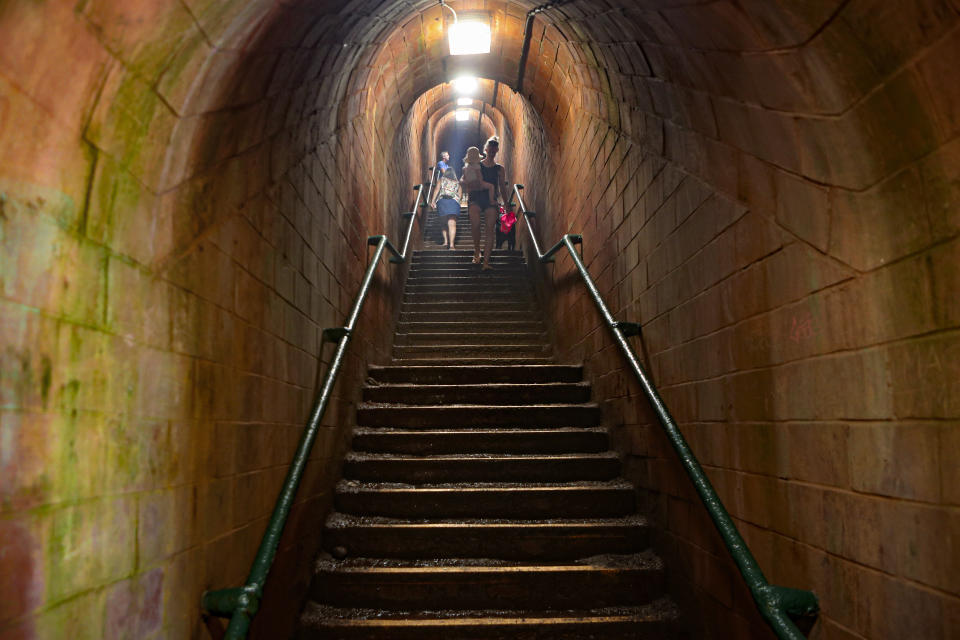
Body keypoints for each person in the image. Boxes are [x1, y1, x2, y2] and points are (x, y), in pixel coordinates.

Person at [461, 136, 509, 270]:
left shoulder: (500, 169)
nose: (492, 151)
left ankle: (486, 262)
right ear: (486, 149)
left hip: (491, 199)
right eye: (490, 148)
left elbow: (502, 187)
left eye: (495, 149)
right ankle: (477, 251)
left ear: (497, 150)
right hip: (475, 198)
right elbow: (465, 178)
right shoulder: (477, 164)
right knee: (475, 225)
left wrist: (506, 204)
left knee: (490, 230)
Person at [430, 166, 461, 250]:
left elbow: (436, 189)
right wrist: (457, 204)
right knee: (452, 223)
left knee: (443, 223)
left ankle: (445, 242)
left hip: (442, 201)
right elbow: (459, 196)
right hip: (453, 202)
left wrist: (433, 201)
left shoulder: (441, 180)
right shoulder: (457, 183)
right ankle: (451, 245)